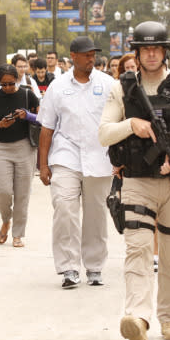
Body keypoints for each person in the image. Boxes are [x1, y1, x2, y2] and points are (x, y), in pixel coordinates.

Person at [98, 21, 170, 340]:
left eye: (156, 48)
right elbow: (104, 133)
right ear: (136, 51)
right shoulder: (122, 89)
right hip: (135, 182)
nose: (150, 54)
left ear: (164, 52)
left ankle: (169, 317)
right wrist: (131, 124)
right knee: (137, 250)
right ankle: (137, 317)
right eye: (144, 49)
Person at [38, 36, 115, 289]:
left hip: (100, 157)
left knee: (96, 215)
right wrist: (43, 164)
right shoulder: (57, 87)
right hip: (65, 156)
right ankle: (69, 267)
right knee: (64, 209)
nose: (91, 58)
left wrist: (120, 159)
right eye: (86, 54)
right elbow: (47, 128)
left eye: (93, 54)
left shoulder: (108, 85)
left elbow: (119, 123)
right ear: (73, 56)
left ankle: (94, 266)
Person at [0, 64, 39, 248]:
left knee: (22, 194)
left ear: (17, 80)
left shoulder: (27, 94)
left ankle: (18, 234)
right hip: (2, 148)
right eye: (3, 84)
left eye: (11, 83)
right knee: (4, 191)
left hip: (25, 147)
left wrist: (27, 115)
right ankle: (6, 220)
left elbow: (42, 118)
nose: (7, 87)